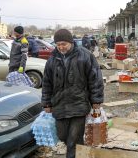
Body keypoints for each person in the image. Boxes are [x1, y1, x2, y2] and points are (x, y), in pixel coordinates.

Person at [42, 29, 104, 158]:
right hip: (59, 104)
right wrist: (46, 103)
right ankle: (80, 151)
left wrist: (96, 100)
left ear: (71, 42)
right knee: (63, 135)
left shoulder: (85, 55)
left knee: (74, 139)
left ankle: (74, 154)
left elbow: (95, 78)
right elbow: (47, 82)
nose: (61, 47)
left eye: (63, 44)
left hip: (79, 104)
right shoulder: (52, 59)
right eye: (58, 44)